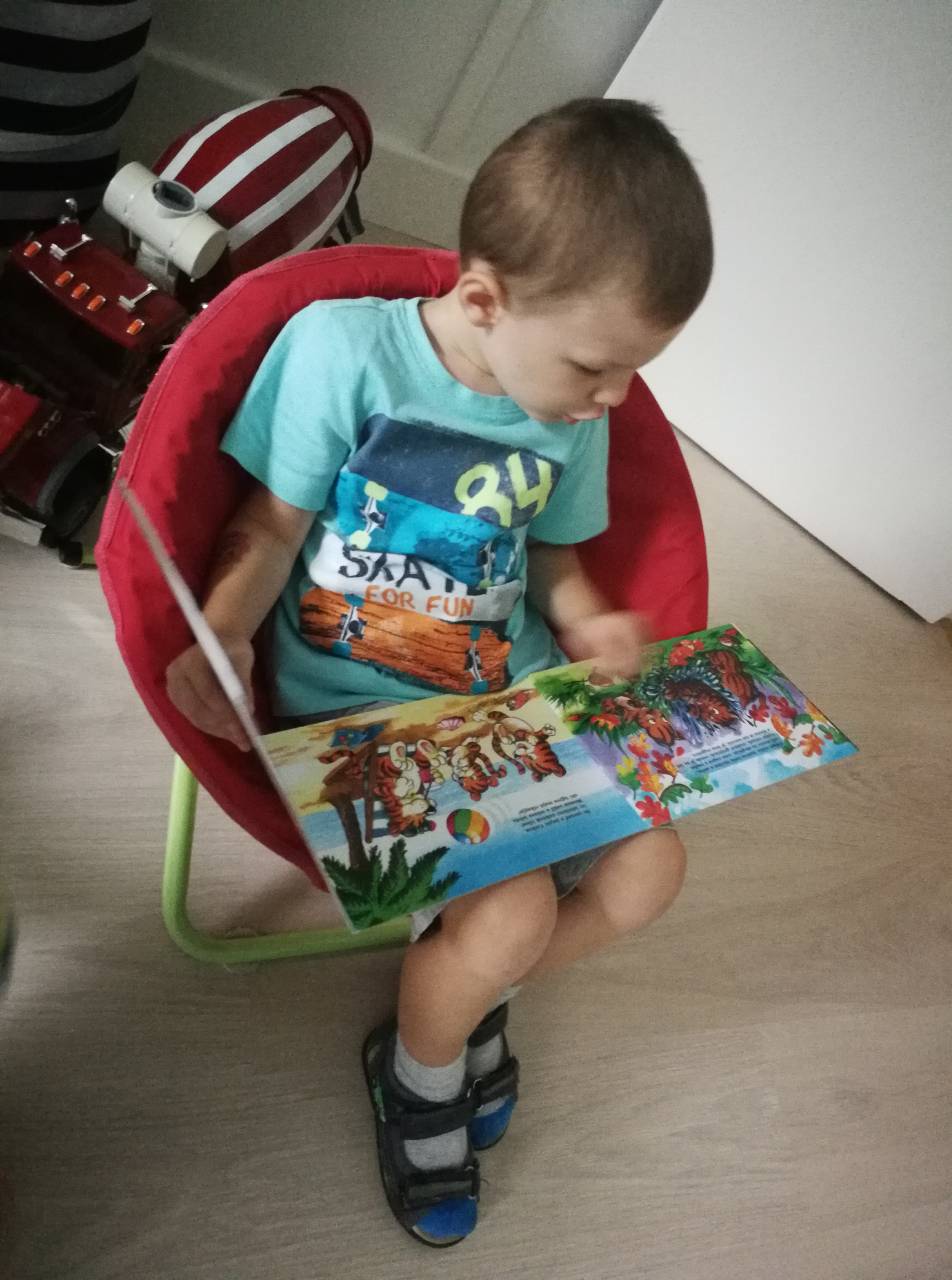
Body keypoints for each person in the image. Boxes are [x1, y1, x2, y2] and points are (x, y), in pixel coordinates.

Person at [166, 97, 713, 1247]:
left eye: (632, 370)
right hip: (362, 714)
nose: (615, 398)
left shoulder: (568, 409)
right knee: (512, 907)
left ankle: (473, 987)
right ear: (482, 300)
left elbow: (554, 558)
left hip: (509, 696)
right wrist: (223, 632)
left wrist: (592, 619)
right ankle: (418, 1070)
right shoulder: (341, 354)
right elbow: (267, 527)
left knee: (653, 869)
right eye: (597, 367)